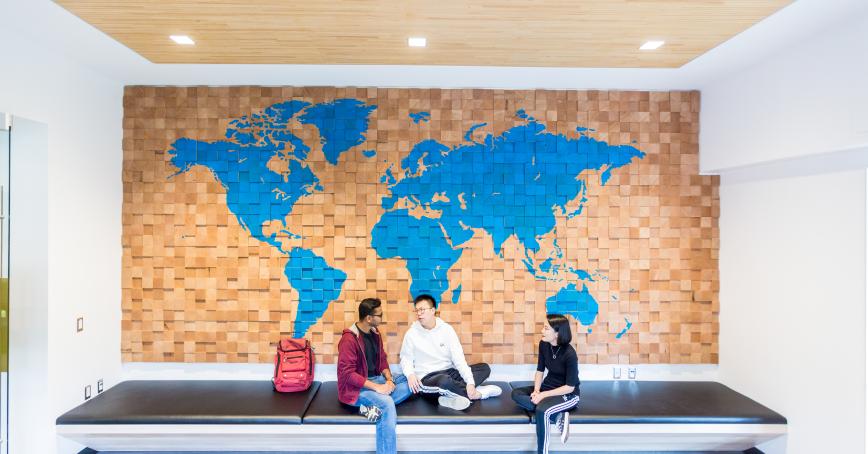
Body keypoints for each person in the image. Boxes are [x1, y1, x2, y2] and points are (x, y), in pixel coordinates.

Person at [399, 294, 502, 410]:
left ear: (433, 310)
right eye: (417, 310)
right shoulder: (411, 334)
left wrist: (470, 383)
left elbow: (459, 360)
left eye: (422, 310)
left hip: (450, 372)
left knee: (484, 368)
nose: (419, 313)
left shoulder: (447, 330)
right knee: (444, 381)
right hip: (427, 377)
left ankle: (452, 395)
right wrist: (410, 374)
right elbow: (405, 359)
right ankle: (480, 394)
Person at [337, 297, 412, 454]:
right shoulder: (349, 340)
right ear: (369, 318)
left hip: (377, 380)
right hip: (357, 389)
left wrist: (389, 380)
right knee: (387, 405)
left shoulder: (375, 333)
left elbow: (382, 360)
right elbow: (348, 374)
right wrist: (378, 388)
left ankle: (368, 408)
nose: (382, 318)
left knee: (411, 381)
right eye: (380, 315)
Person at [511, 313, 581, 454]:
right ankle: (558, 416)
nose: (542, 331)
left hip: (568, 394)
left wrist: (543, 395)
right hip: (547, 388)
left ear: (557, 333)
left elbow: (570, 386)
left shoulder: (570, 354)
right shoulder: (544, 344)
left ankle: (542, 451)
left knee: (542, 410)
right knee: (516, 394)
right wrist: (537, 391)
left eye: (546, 328)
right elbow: (540, 370)